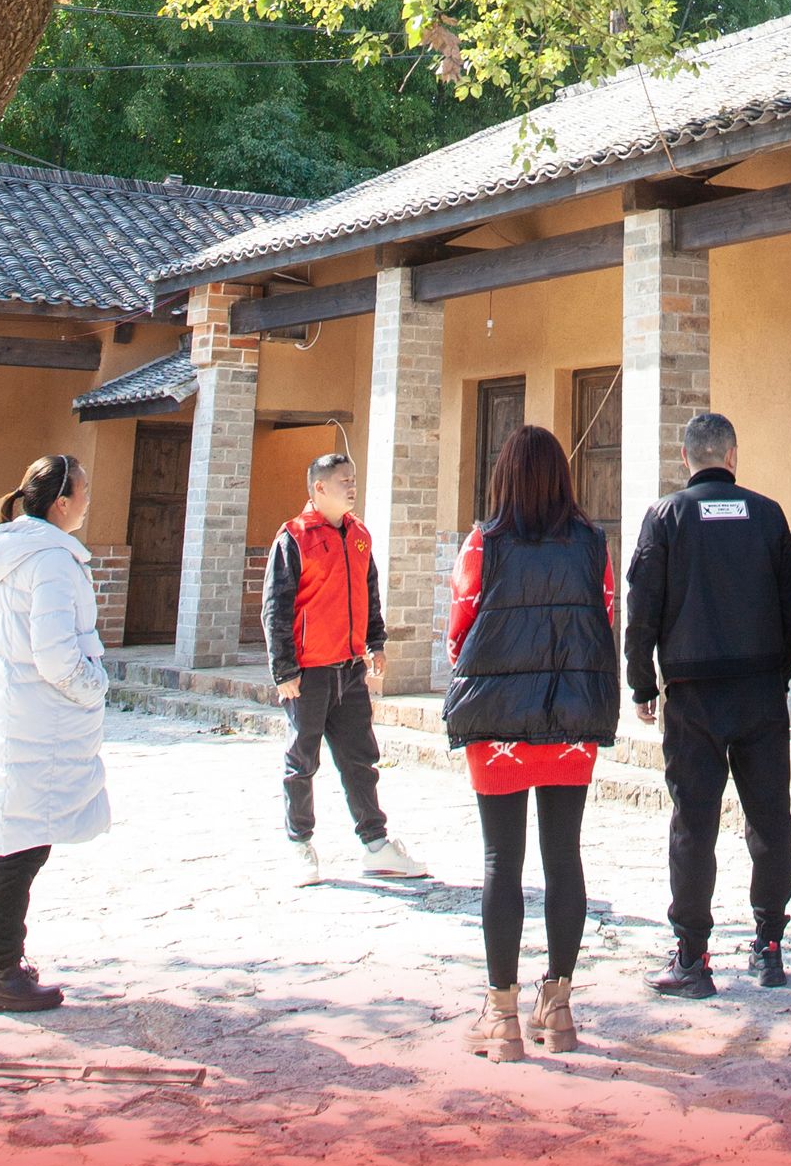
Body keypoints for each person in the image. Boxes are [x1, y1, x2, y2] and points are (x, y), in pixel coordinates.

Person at [443, 424, 619, 1062]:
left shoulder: (482, 544)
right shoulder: (593, 544)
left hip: (497, 724)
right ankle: (559, 1004)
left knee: (501, 861)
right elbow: (604, 616)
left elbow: (458, 634)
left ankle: (501, 1015)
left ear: (503, 476)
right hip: (570, 718)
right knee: (564, 857)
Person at [625, 410, 791, 997]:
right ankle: (769, 947)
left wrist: (642, 684)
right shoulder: (768, 514)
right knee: (770, 819)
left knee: (693, 823)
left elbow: (643, 608)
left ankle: (692, 957)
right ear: (732, 456)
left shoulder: (666, 517)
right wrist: (779, 673)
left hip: (692, 693)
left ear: (685, 458)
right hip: (759, 689)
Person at [0, 451, 110, 1013]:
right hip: (43, 721)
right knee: (22, 847)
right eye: (83, 491)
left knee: (1, 837)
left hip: (17, 713)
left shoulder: (18, 550)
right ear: (61, 502)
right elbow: (55, 654)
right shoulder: (51, 560)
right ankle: (2, 973)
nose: (88, 501)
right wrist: (94, 685)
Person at [261, 452, 425, 882]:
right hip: (308, 673)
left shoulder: (359, 535)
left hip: (350, 669)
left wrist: (376, 642)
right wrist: (284, 670)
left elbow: (369, 593)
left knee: (360, 760)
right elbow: (276, 607)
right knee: (302, 760)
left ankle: (376, 845)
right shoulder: (293, 538)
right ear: (319, 488)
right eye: (343, 481)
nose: (352, 487)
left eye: (353, 479)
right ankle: (299, 844)